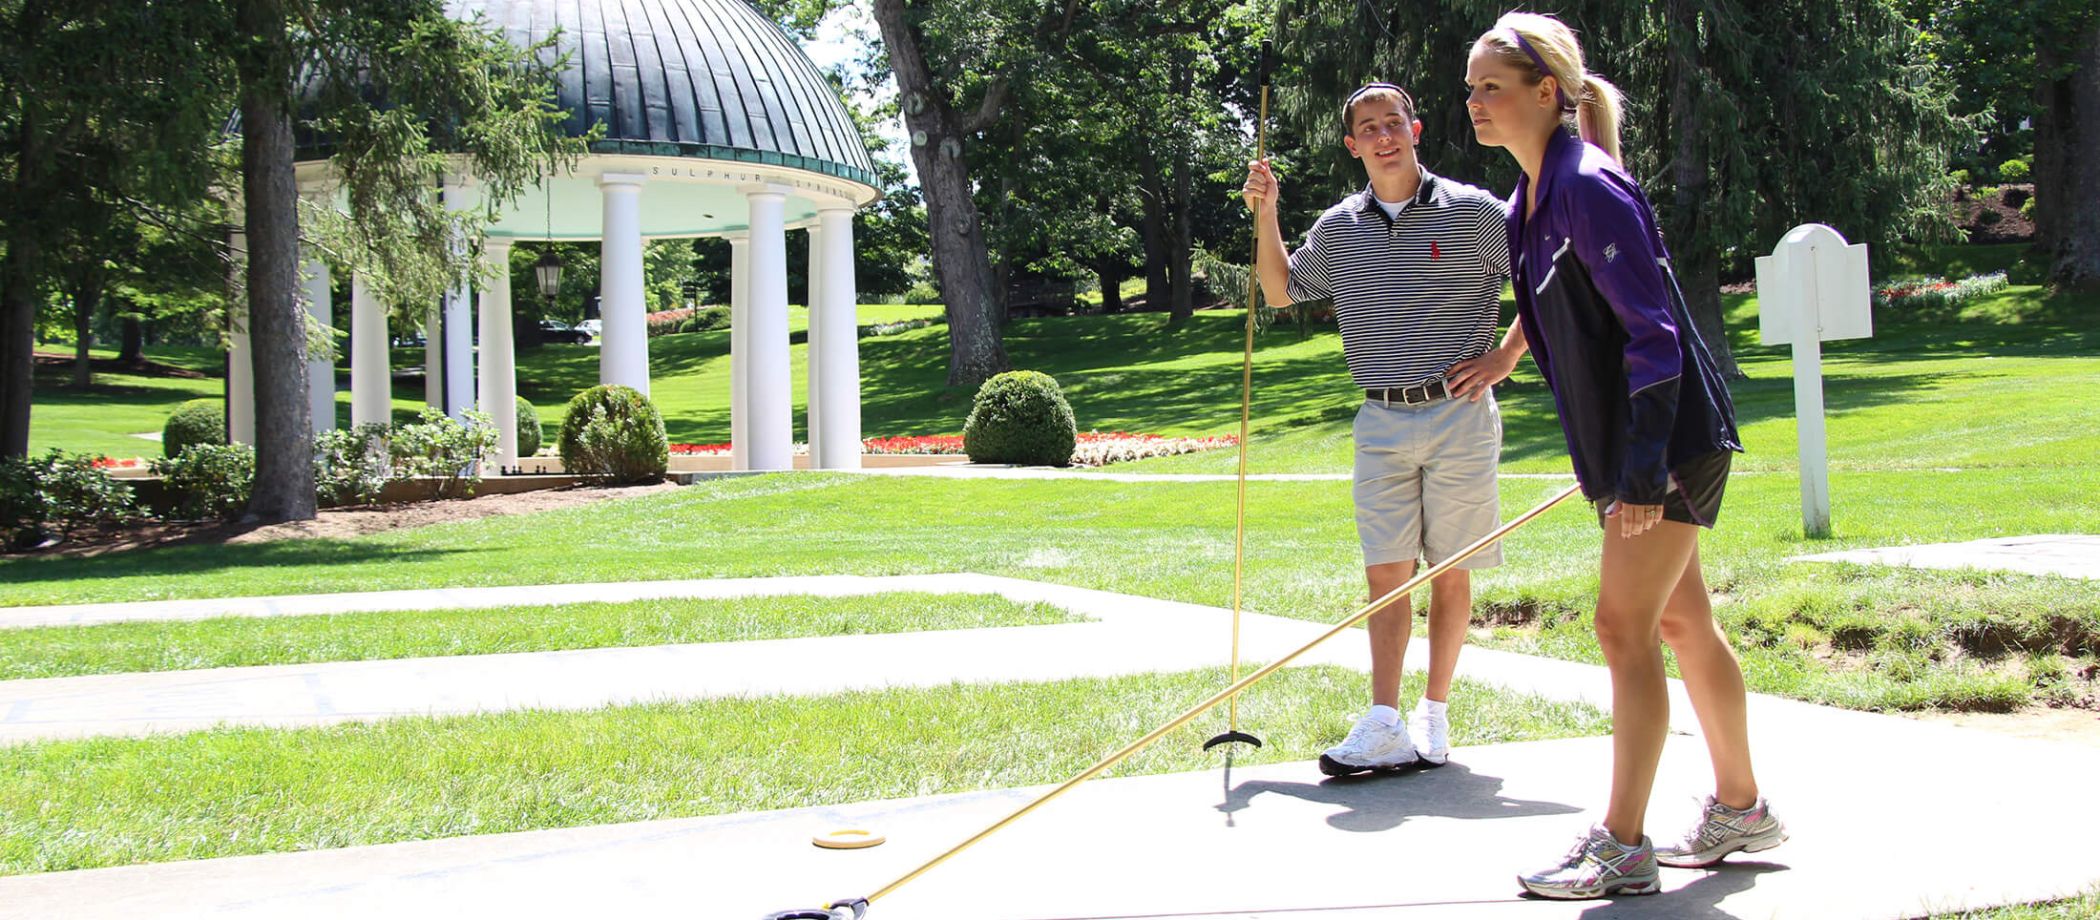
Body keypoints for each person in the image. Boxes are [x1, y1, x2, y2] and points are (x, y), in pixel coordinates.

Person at [1463, 11, 1786, 900]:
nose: (1476, 104)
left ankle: (1623, 846)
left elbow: (1654, 338)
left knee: (1622, 630)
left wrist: (1642, 472)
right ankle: (1742, 809)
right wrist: (1507, 354)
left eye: (1492, 87)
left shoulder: (1588, 185)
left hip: (1667, 442)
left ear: (1546, 92)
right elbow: (1567, 303)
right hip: (1635, 448)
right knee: (1681, 625)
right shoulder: (1533, 198)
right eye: (1471, 89)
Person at [1242, 82, 1522, 777]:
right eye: (1367, 128)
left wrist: (1506, 355)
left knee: (1450, 572)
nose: (1382, 136)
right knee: (1387, 576)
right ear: (1353, 145)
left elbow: (1552, 283)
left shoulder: (1476, 211)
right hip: (1381, 418)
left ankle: (1434, 713)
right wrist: (1267, 213)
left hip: (1459, 415)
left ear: (1415, 129)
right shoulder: (1340, 227)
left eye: (1392, 122)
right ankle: (1384, 720)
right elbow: (1281, 291)